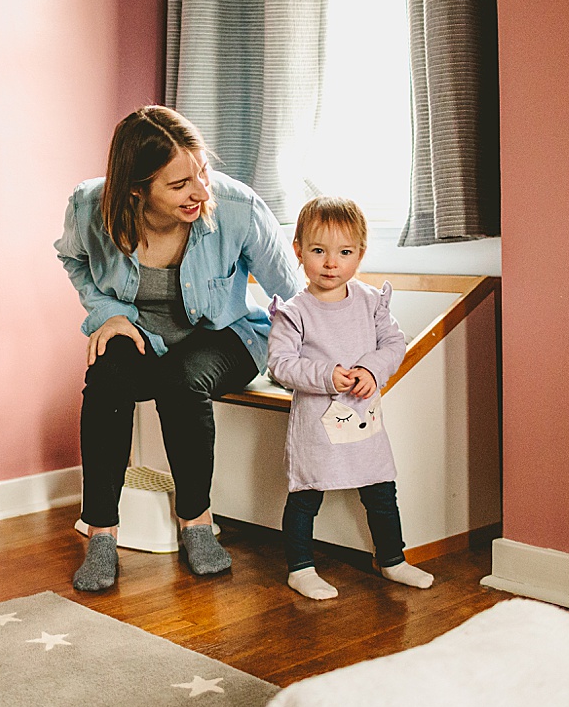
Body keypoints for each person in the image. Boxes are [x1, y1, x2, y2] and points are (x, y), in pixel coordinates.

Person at [55, 106, 303, 591]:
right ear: (135, 187)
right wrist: (108, 315)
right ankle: (101, 532)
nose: (200, 192)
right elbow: (72, 259)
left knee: (183, 380)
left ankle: (196, 522)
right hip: (142, 334)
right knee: (105, 374)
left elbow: (292, 294)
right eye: (179, 184)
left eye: (202, 172)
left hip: (228, 334)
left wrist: (313, 360)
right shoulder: (90, 207)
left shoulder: (237, 207)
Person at [266, 196, 434, 600]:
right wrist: (327, 375)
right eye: (319, 251)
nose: (330, 263)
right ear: (299, 251)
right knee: (306, 495)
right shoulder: (295, 312)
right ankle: (301, 567)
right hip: (315, 424)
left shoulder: (372, 302)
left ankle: (392, 559)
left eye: (344, 253)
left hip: (363, 420)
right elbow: (279, 364)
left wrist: (372, 370)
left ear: (359, 254)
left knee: (380, 492)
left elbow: (395, 343)